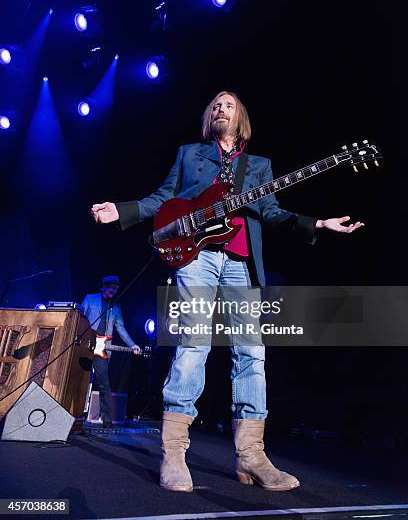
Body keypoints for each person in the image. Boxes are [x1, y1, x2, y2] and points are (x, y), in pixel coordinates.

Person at [91, 91, 364, 489]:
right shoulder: (190, 155)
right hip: (197, 257)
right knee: (195, 341)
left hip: (241, 262)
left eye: (229, 104)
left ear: (241, 118)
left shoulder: (259, 165)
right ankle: (174, 452)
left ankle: (252, 455)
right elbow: (165, 197)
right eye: (215, 104)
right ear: (209, 116)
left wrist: (317, 223)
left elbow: (270, 212)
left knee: (251, 351)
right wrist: (124, 210)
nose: (221, 108)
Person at [82, 275, 141, 429]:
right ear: (103, 287)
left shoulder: (116, 307)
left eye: (115, 289)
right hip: (84, 346)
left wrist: (133, 344)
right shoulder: (90, 299)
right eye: (110, 288)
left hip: (102, 349)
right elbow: (80, 319)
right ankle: (74, 415)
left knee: (104, 384)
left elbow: (121, 328)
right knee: (80, 381)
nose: (112, 291)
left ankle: (107, 421)